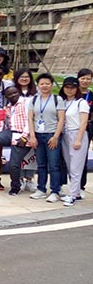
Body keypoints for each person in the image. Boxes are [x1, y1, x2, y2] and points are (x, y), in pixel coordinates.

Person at [27, 73, 66, 203]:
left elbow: (61, 119)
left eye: (47, 83)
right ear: (38, 85)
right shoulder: (34, 100)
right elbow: (30, 118)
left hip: (52, 134)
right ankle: (41, 189)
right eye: (42, 84)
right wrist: (32, 136)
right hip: (38, 135)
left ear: (51, 85)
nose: (45, 86)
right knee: (41, 164)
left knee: (54, 165)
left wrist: (56, 136)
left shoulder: (57, 99)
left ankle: (55, 191)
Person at [58, 77, 88, 207]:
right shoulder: (63, 102)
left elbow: (84, 123)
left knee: (76, 166)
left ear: (77, 89)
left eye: (72, 87)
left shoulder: (81, 103)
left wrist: (78, 140)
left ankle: (73, 195)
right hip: (65, 134)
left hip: (76, 133)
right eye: (67, 87)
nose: (69, 90)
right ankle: (76, 192)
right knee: (70, 166)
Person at [13, 67, 38, 192]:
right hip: (18, 129)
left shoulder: (36, 93)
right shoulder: (13, 92)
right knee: (20, 155)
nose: (24, 79)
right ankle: (21, 178)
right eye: (21, 77)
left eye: (26, 77)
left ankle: (29, 178)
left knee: (31, 155)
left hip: (32, 128)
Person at [77, 68, 92, 197]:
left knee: (83, 158)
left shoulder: (91, 96)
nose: (85, 81)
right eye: (83, 78)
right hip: (70, 128)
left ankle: (81, 186)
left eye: (88, 78)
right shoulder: (71, 93)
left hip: (87, 129)